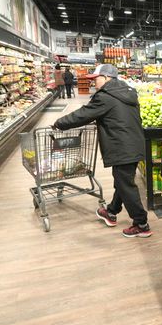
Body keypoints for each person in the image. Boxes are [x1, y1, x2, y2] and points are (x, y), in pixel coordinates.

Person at [53, 64, 151, 238]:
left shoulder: (105, 97)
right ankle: (111, 211)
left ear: (106, 78)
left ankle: (141, 224)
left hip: (121, 146)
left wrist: (59, 123)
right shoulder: (128, 92)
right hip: (134, 143)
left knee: (126, 184)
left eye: (96, 79)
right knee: (122, 181)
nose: (93, 83)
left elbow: (83, 114)